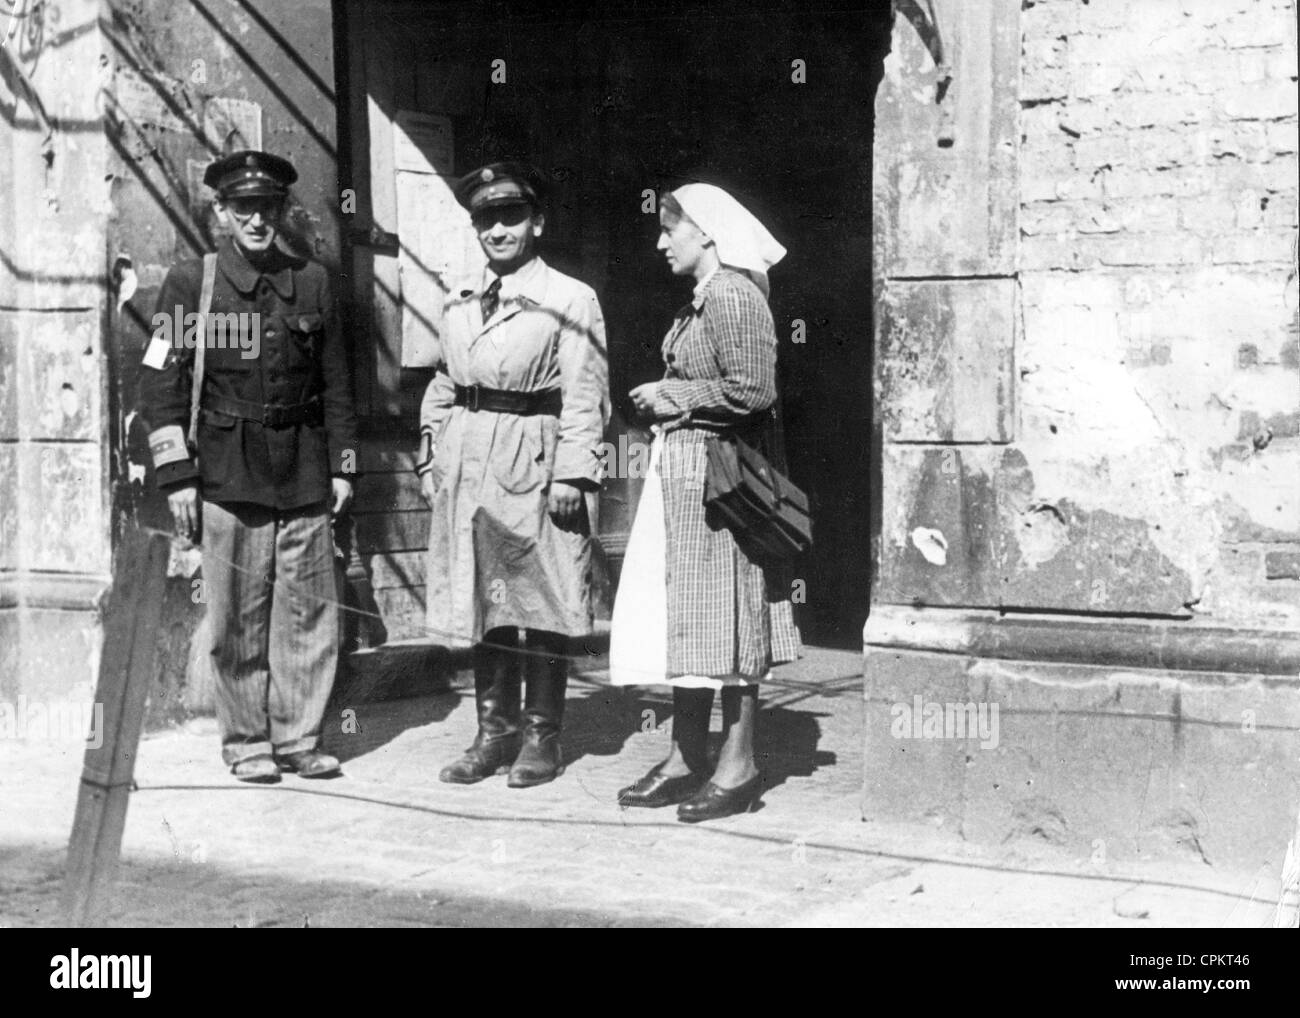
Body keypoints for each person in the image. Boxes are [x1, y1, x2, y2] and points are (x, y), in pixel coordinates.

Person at [139, 150, 359, 783]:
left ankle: (298, 738)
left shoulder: (314, 281)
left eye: (267, 207)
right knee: (237, 614)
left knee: (310, 611)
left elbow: (338, 383)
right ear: (221, 213)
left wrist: (344, 468)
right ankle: (246, 743)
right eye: (244, 208)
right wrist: (177, 475)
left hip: (305, 471)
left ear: (282, 211)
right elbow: (159, 385)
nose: (257, 220)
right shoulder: (192, 284)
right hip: (226, 474)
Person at [610, 182, 801, 823]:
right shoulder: (703, 300)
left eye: (672, 230)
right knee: (691, 613)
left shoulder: (732, 296)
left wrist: (675, 396)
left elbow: (754, 390)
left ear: (708, 234)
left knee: (732, 613)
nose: (662, 242)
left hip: (724, 484)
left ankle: (738, 763)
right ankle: (687, 755)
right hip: (690, 476)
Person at [418, 161, 609, 788]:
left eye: (511, 217)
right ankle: (492, 734)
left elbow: (586, 397)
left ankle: (540, 737)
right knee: (485, 599)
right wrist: (432, 453)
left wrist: (573, 477)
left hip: (534, 457)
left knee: (542, 598)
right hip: (469, 461)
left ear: (537, 223)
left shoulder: (570, 298)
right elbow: (444, 379)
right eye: (486, 220)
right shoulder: (461, 298)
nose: (498, 230)